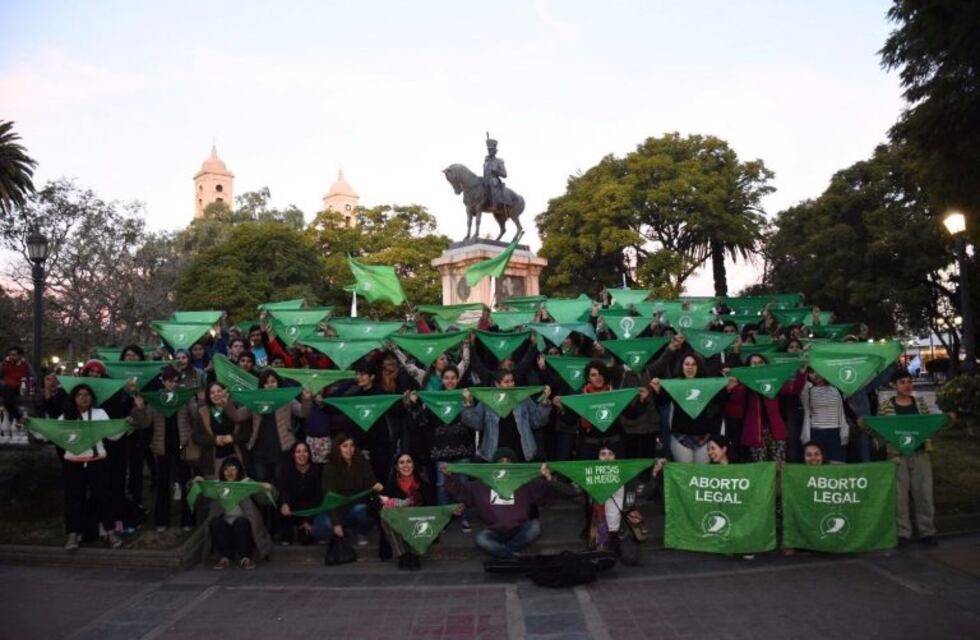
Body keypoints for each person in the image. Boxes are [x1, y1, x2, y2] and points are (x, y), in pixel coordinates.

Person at [442, 448, 575, 559]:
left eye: (508, 463)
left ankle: (505, 553)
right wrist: (449, 476)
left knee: (535, 527)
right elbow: (459, 492)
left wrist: (549, 478)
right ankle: (511, 555)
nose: (504, 466)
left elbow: (565, 492)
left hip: (519, 529)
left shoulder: (525, 484)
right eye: (500, 462)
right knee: (481, 539)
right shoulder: (481, 484)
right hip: (493, 531)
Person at [865, 369, 939, 546]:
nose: (907, 385)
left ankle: (927, 531)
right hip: (897, 456)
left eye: (909, 381)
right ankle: (903, 533)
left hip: (920, 453)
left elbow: (928, 426)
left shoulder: (920, 404)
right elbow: (880, 431)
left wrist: (946, 420)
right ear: (894, 385)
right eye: (902, 382)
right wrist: (866, 426)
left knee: (924, 494)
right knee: (899, 497)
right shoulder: (886, 407)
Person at [46, 384, 125, 550]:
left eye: (87, 394)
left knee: (103, 497)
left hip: (97, 461)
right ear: (74, 398)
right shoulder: (66, 417)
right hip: (73, 463)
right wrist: (31, 424)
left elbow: (113, 435)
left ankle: (110, 532)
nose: (84, 398)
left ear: (92, 398)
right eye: (80, 395)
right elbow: (52, 432)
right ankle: (73, 534)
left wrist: (125, 425)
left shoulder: (100, 414)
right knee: (73, 499)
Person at [131, 366, 196, 531]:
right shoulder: (156, 399)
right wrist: (140, 408)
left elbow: (195, 416)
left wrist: (193, 401)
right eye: (169, 381)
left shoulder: (184, 396)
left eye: (176, 381)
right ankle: (161, 520)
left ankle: (188, 520)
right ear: (163, 381)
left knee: (185, 482)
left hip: (182, 445)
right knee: (163, 483)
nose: (173, 384)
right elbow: (146, 423)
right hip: (162, 446)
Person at [581, 445, 663, 559]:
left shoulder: (627, 478)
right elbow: (571, 491)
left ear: (617, 458)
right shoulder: (590, 478)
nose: (607, 457)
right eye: (603, 454)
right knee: (602, 560)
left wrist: (654, 473)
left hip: (623, 530)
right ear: (597, 458)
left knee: (631, 559)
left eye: (610, 454)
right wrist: (553, 478)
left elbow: (646, 492)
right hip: (601, 531)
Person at [194, 457, 275, 570]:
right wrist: (196, 484)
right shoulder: (218, 486)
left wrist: (268, 489)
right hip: (226, 529)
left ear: (239, 470)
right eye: (226, 469)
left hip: (244, 528)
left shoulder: (247, 483)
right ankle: (225, 557)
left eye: (233, 468)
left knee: (240, 522)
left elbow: (264, 500)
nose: (230, 472)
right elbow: (201, 499)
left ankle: (245, 557)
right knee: (215, 522)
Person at [649, 353, 728, 463]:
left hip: (704, 436)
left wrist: (725, 385)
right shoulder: (675, 384)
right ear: (682, 366)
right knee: (684, 471)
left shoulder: (705, 384)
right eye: (687, 364)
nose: (690, 367)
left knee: (701, 472)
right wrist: (657, 390)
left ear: (698, 367)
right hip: (680, 436)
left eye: (693, 364)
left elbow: (719, 400)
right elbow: (663, 402)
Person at [727, 354, 807, 462]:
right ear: (748, 367)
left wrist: (801, 373)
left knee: (779, 465)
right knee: (760, 467)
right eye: (754, 363)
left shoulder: (774, 380)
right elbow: (736, 399)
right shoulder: (744, 384)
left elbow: (793, 390)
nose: (757, 365)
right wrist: (736, 384)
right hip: (755, 432)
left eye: (760, 362)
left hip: (776, 430)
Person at [460, 369, 552, 462]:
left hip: (522, 452)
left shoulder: (523, 398)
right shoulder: (487, 400)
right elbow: (476, 423)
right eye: (506, 382)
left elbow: (537, 421)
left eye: (512, 381)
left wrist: (545, 401)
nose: (511, 384)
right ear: (497, 384)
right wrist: (468, 403)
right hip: (494, 452)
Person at [315, 432, 384, 546]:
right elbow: (329, 496)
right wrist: (336, 523)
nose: (349, 449)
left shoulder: (362, 463)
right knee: (321, 528)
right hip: (336, 508)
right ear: (338, 448)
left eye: (351, 445)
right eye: (345, 446)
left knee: (365, 512)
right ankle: (343, 532)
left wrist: (376, 489)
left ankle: (358, 532)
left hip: (356, 507)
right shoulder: (330, 467)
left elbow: (371, 487)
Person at [379, 452, 436, 570]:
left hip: (418, 526)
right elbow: (376, 506)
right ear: (396, 467)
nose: (406, 465)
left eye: (409, 462)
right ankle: (402, 555)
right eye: (401, 462)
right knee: (385, 516)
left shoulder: (423, 485)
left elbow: (432, 509)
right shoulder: (390, 486)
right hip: (400, 528)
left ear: (413, 465)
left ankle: (415, 555)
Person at [191, 381, 250, 478]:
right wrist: (215, 440)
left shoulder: (236, 409)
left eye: (219, 391)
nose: (216, 395)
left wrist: (232, 439)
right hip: (213, 461)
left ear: (226, 392)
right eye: (212, 393)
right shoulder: (203, 412)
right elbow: (196, 436)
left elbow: (246, 434)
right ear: (208, 395)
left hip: (235, 457)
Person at [276, 441, 323, 545]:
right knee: (286, 538)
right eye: (298, 452)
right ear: (293, 454)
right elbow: (283, 489)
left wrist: (307, 520)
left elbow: (318, 497)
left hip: (310, 511)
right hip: (291, 510)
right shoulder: (286, 469)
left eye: (305, 451)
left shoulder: (316, 470)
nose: (302, 454)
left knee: (306, 540)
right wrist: (284, 503)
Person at [799, 370, 850, 463]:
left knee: (837, 464)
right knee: (815, 464)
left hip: (836, 432)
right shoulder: (807, 389)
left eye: (818, 371)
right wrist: (802, 372)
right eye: (812, 372)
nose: (816, 375)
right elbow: (797, 385)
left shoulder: (838, 387)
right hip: (815, 432)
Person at [483, 136, 507, 209]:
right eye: (488, 149)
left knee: (492, 182)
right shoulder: (486, 161)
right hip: (485, 180)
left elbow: (505, 174)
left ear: (494, 151)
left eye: (491, 149)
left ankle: (494, 204)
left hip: (495, 181)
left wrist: (496, 171)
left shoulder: (499, 161)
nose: (489, 151)